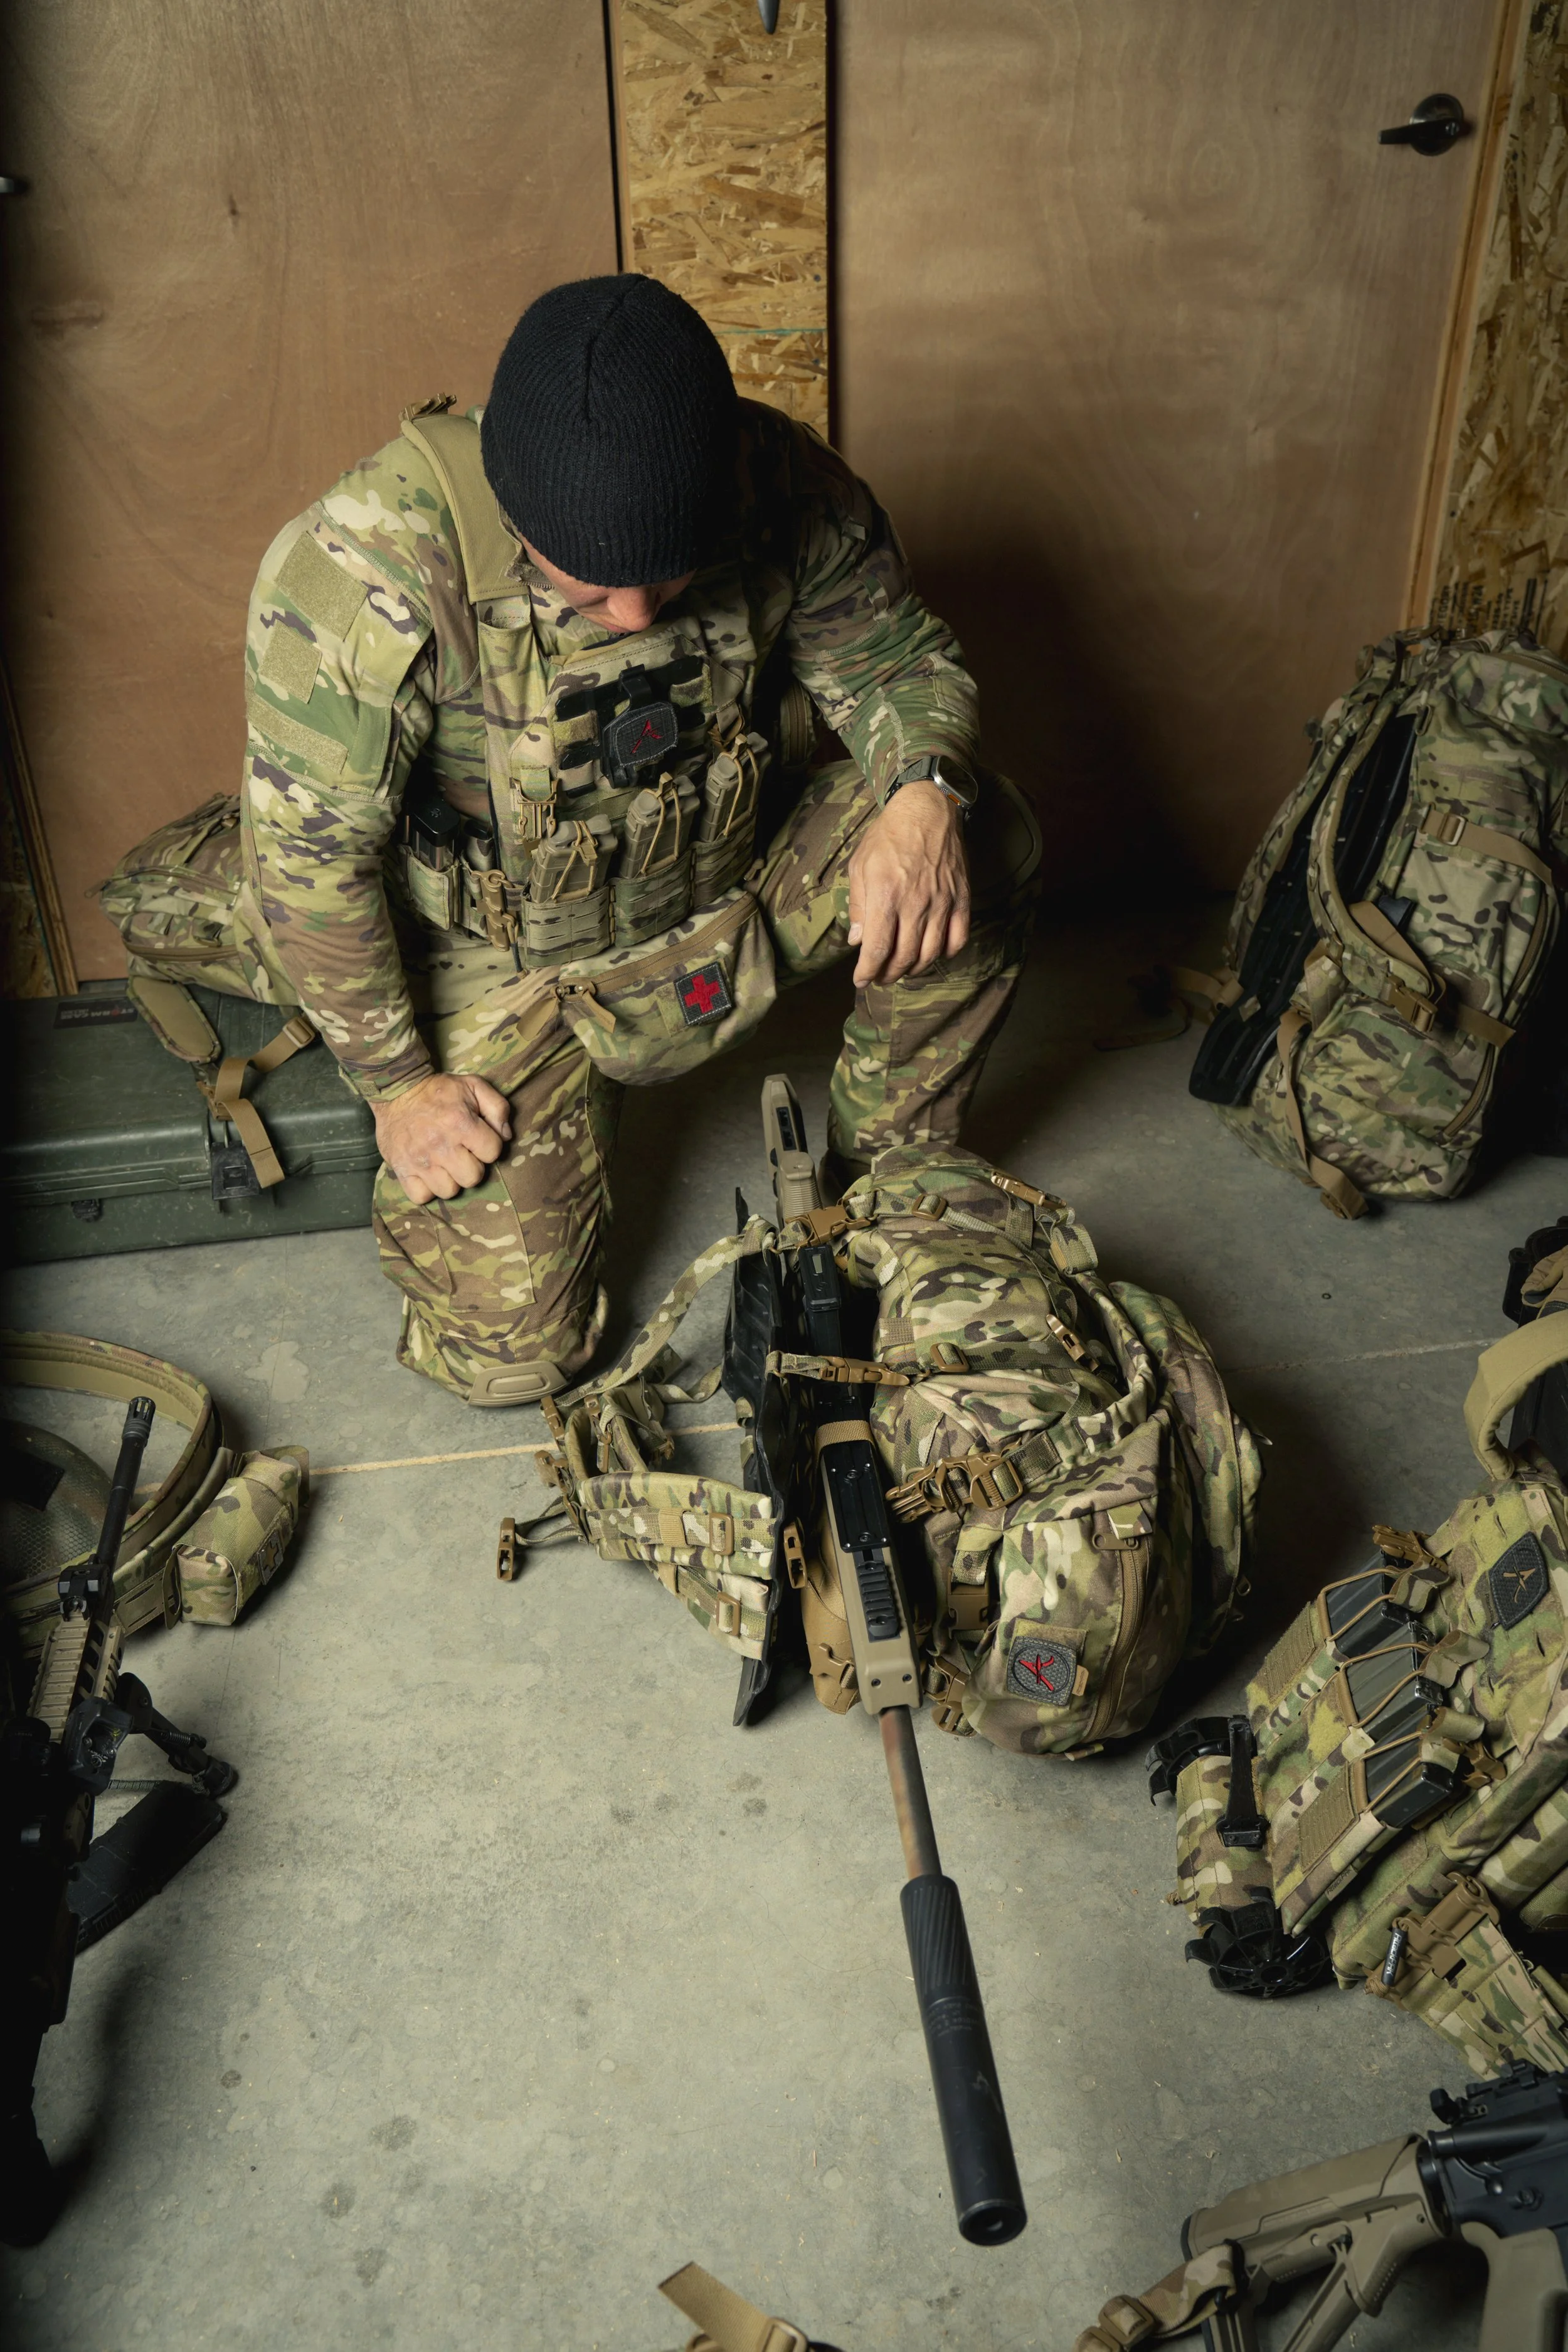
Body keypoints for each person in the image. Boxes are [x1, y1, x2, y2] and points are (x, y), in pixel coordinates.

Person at [102, 275, 1041, 1404]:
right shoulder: (368, 568)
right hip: (498, 951)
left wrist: (925, 787)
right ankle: (209, 884)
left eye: (672, 575)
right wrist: (399, 1088)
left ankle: (893, 1172)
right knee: (515, 1362)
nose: (641, 617)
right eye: (593, 591)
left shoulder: (778, 480)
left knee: (981, 837)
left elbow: (892, 660)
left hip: (714, 876)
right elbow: (316, 867)